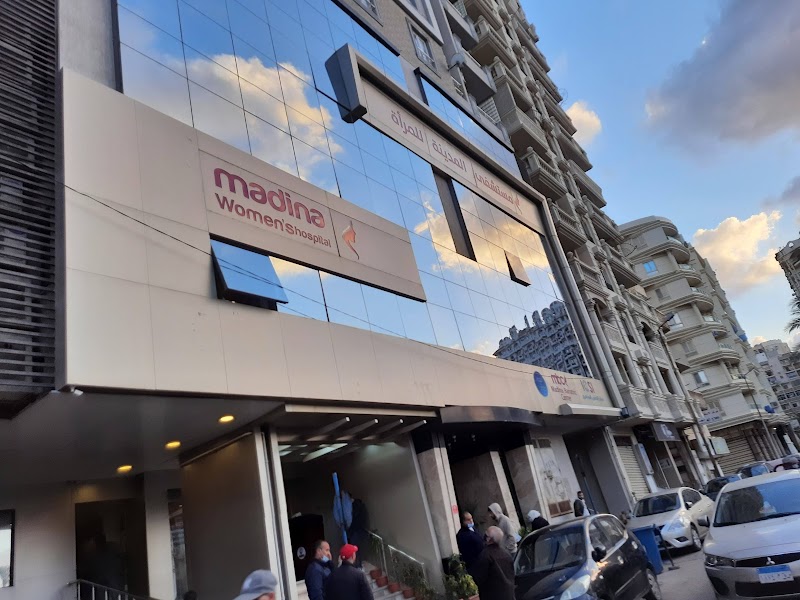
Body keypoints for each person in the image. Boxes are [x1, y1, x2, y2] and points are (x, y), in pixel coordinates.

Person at [470, 526, 515, 600]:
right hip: (508, 594)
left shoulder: (485, 555)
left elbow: (479, 578)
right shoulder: (506, 554)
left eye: (486, 534)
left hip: (492, 595)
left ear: (488, 539)